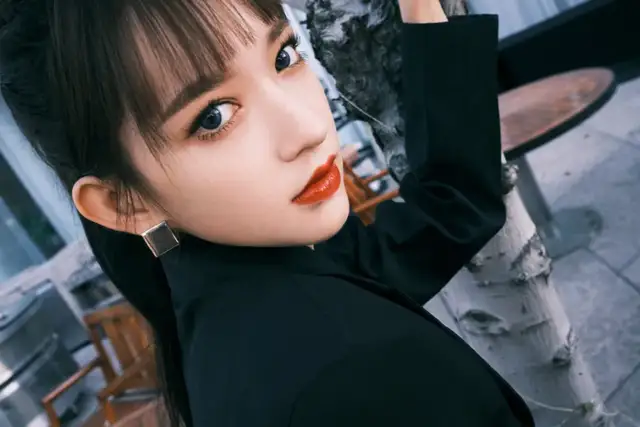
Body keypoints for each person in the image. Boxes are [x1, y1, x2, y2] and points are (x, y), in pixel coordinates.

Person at [0, 0, 535, 425]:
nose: (307, 129)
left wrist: (421, 8)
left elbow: (446, 212)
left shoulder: (231, 282)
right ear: (125, 203)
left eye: (283, 57)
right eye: (213, 117)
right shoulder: (350, 372)